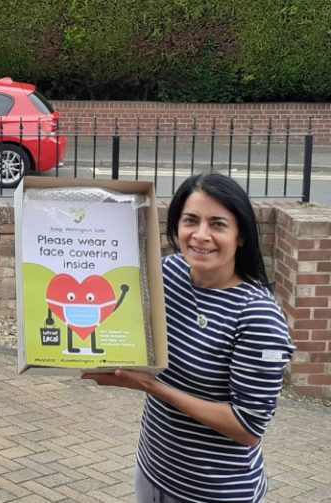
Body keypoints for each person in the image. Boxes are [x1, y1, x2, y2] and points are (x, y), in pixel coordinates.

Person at [82, 173, 294, 503]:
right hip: (153, 471)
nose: (201, 235)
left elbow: (248, 428)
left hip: (215, 492)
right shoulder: (168, 273)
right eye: (191, 220)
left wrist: (152, 386)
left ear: (240, 235)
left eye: (218, 224)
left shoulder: (258, 317)